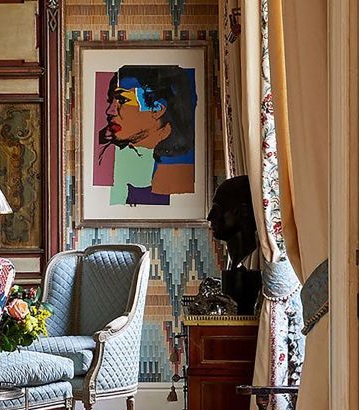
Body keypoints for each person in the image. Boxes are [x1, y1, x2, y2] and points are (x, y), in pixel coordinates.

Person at [99, 64, 197, 206]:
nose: (110, 111)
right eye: (111, 101)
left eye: (122, 100)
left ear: (156, 109)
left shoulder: (180, 168)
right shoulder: (107, 155)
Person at [207, 176, 261, 314]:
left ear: (241, 212)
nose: (209, 217)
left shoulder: (258, 266)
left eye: (217, 209)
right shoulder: (239, 264)